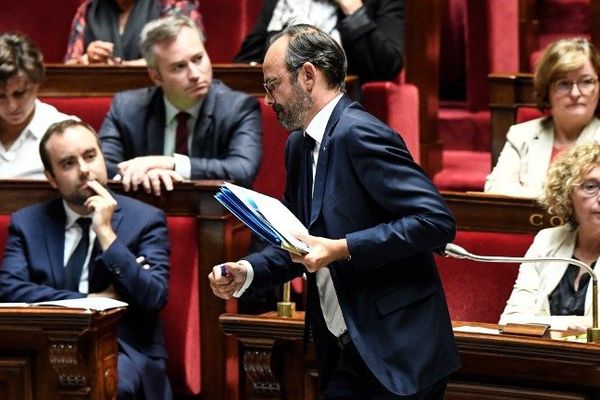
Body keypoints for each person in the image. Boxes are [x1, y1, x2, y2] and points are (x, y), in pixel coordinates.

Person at [209, 24, 458, 399]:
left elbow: (435, 221)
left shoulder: (359, 133)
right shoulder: (298, 145)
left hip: (399, 350)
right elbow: (298, 240)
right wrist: (248, 270)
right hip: (344, 348)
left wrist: (342, 247)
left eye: (272, 85)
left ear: (308, 75)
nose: (268, 100)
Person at [0, 119, 173, 399]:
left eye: (90, 156)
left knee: (108, 386)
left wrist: (106, 233)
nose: (84, 170)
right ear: (52, 178)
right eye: (68, 163)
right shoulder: (28, 223)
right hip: (42, 346)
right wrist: (88, 302)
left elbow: (153, 297)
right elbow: (9, 290)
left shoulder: (145, 220)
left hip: (124, 348)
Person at [99, 15, 262, 196]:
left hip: (214, 216)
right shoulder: (126, 108)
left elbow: (242, 170)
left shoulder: (238, 107)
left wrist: (172, 164)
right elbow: (102, 167)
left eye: (198, 58)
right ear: (156, 77)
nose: (194, 74)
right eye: (179, 67)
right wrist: (146, 176)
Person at [500, 142, 600, 331]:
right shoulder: (547, 240)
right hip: (542, 357)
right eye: (590, 186)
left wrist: (544, 322)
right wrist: (568, 324)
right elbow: (511, 320)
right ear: (568, 194)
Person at [485, 38, 600, 198]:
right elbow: (495, 190)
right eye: (564, 84)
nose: (575, 93)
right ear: (547, 90)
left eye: (586, 82)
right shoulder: (522, 134)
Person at [234, 0, 404, 83]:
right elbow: (246, 62)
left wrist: (353, 11)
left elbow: (387, 67)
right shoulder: (281, 3)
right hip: (279, 98)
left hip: (344, 104)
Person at [0, 32, 76, 179]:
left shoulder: (69, 133)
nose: (12, 106)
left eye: (20, 93)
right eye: (0, 97)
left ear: (37, 84)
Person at [64, 0, 203, 65]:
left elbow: (184, 57)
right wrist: (86, 61)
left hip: (155, 93)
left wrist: (121, 66)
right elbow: (68, 68)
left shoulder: (171, 4)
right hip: (97, 93)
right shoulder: (89, 9)